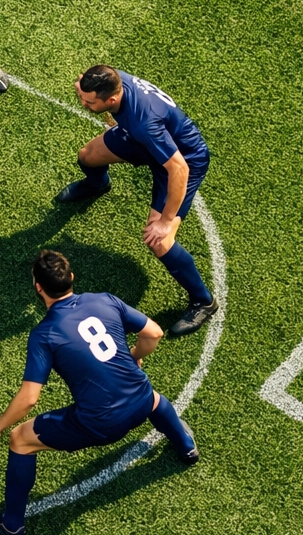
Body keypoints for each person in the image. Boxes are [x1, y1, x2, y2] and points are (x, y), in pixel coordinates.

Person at [0, 250, 199, 535]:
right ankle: (186, 447)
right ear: (72, 278)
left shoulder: (45, 334)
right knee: (151, 396)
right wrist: (134, 356)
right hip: (141, 403)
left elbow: (29, 398)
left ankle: (11, 525)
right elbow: (153, 333)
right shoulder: (104, 299)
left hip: (99, 424)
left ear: (37, 287)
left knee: (20, 440)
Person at [56, 65, 217, 336]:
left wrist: (165, 222)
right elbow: (92, 79)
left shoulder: (145, 122)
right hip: (143, 141)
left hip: (182, 159)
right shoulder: (110, 80)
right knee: (88, 155)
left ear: (112, 100)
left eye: (88, 101)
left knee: (160, 242)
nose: (83, 103)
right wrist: (85, 87)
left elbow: (179, 170)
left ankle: (204, 301)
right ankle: (98, 184)